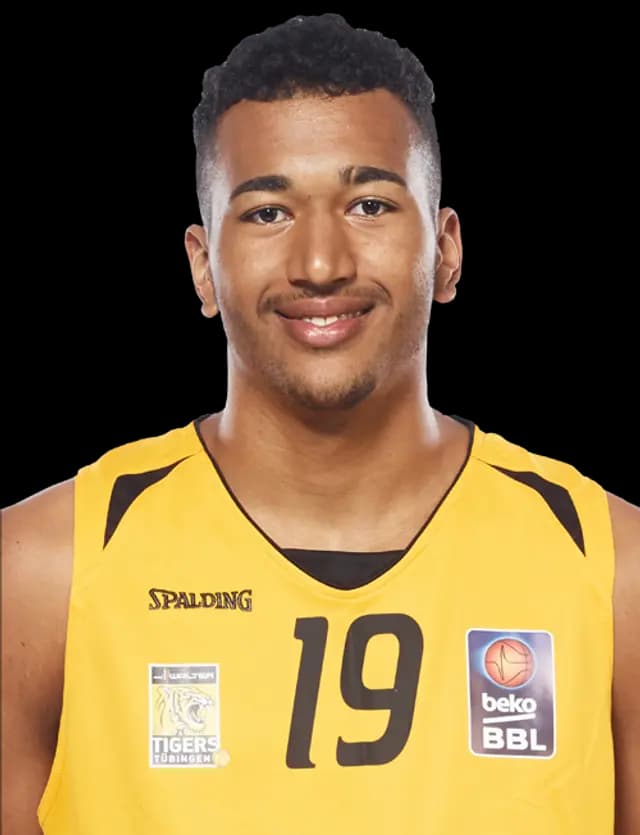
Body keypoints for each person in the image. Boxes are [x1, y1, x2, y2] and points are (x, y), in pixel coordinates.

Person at [2, 12, 638, 835]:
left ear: (447, 250)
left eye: (369, 204)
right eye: (267, 213)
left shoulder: (610, 568)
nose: (320, 264)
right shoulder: (45, 568)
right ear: (203, 265)